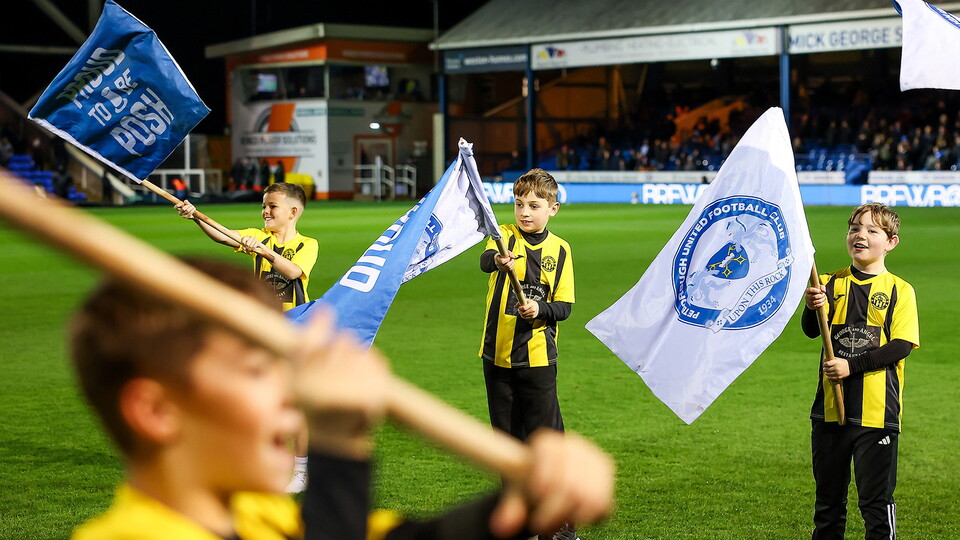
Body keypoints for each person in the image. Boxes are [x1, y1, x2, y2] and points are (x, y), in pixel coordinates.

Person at [69, 258, 615, 540]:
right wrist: (338, 445)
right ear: (157, 411)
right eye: (257, 370)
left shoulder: (256, 513)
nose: (291, 391)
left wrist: (517, 509)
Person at [176, 182, 319, 491]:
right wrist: (195, 215)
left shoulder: (308, 244)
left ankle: (302, 469)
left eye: (272, 206)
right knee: (260, 399)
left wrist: (263, 251)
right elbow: (222, 233)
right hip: (260, 330)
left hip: (294, 329)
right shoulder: (258, 235)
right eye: (264, 206)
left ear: (293, 212)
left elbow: (294, 272)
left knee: (297, 404)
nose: (265, 211)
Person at [801, 202, 920, 540]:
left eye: (872, 230)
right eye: (854, 228)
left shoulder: (900, 290)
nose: (860, 236)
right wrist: (812, 307)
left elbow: (901, 345)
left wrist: (849, 366)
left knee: (876, 507)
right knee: (827, 507)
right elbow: (812, 330)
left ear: (891, 242)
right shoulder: (828, 282)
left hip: (876, 414)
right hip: (828, 413)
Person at [478, 168, 575, 538]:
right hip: (496, 357)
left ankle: (561, 522)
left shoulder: (561, 250)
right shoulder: (503, 237)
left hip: (538, 361)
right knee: (506, 443)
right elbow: (487, 261)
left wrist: (540, 311)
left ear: (553, 209)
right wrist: (501, 261)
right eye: (519, 204)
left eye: (534, 205)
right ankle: (518, 518)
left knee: (546, 440)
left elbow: (564, 306)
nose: (525, 212)